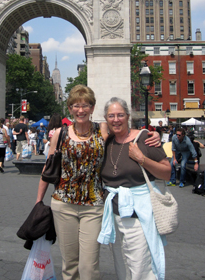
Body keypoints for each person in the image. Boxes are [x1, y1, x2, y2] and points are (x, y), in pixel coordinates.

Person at [35, 85, 160, 280]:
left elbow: (125, 131)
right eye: (76, 105)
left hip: (93, 207)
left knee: (89, 266)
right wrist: (38, 201)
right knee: (69, 264)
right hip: (63, 204)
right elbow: (48, 168)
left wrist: (151, 134)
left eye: (85, 105)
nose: (81, 110)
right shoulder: (60, 134)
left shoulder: (102, 130)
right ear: (69, 108)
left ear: (92, 108)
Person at [98, 97, 171, 280]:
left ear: (128, 116)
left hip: (139, 215)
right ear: (106, 119)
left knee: (140, 267)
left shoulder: (145, 139)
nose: (116, 119)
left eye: (120, 115)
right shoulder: (106, 142)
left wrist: (142, 159)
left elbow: (167, 173)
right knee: (121, 266)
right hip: (114, 215)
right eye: (111, 116)